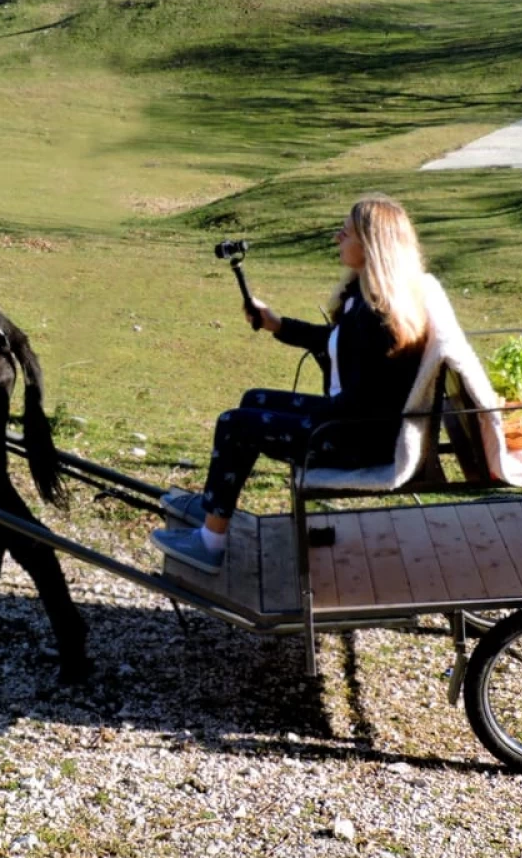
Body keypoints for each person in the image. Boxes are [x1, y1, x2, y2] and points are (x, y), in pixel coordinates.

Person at [154, 195, 432, 574]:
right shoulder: (365, 299)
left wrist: (305, 417)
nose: (337, 238)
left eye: (345, 232)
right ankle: (212, 506)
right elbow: (335, 343)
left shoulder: (381, 319)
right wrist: (277, 324)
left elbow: (361, 403)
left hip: (353, 440)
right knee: (253, 400)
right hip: (348, 422)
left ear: (371, 246)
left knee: (236, 424)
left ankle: (210, 542)